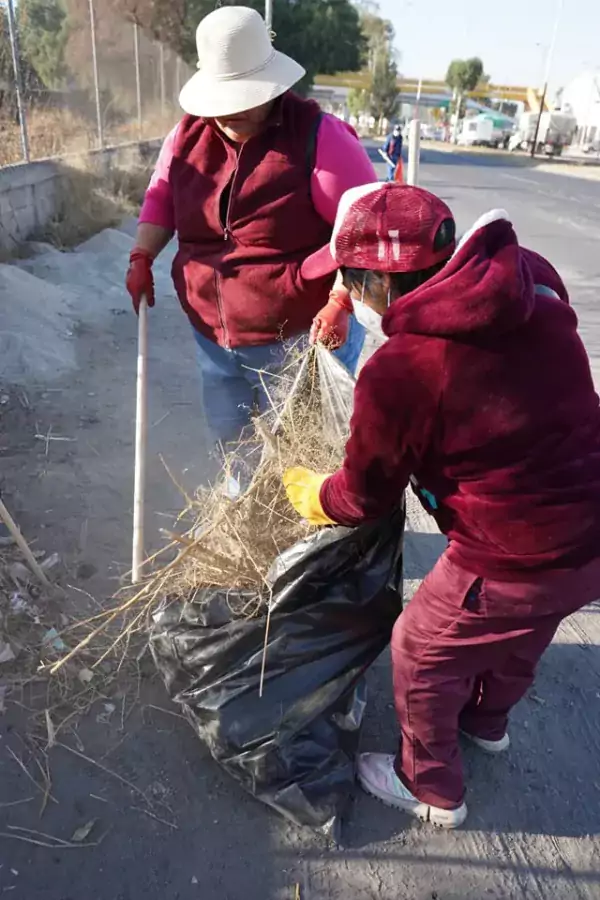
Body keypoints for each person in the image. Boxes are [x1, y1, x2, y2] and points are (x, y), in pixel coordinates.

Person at [284, 182, 600, 829]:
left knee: (422, 650)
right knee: (523, 634)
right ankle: (486, 722)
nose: (345, 288)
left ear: (381, 283)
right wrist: (345, 295)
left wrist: (314, 496)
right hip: (590, 532)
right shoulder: (527, 279)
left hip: (511, 553)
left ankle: (430, 785)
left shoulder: (403, 370)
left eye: (349, 278)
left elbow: (364, 495)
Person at [125, 5, 376, 447]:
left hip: (301, 340)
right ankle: (241, 505)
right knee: (233, 442)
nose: (229, 111)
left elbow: (364, 228)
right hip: (213, 338)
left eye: (242, 96)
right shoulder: (185, 139)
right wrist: (142, 255)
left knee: (304, 451)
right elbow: (162, 196)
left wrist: (342, 301)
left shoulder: (319, 136)